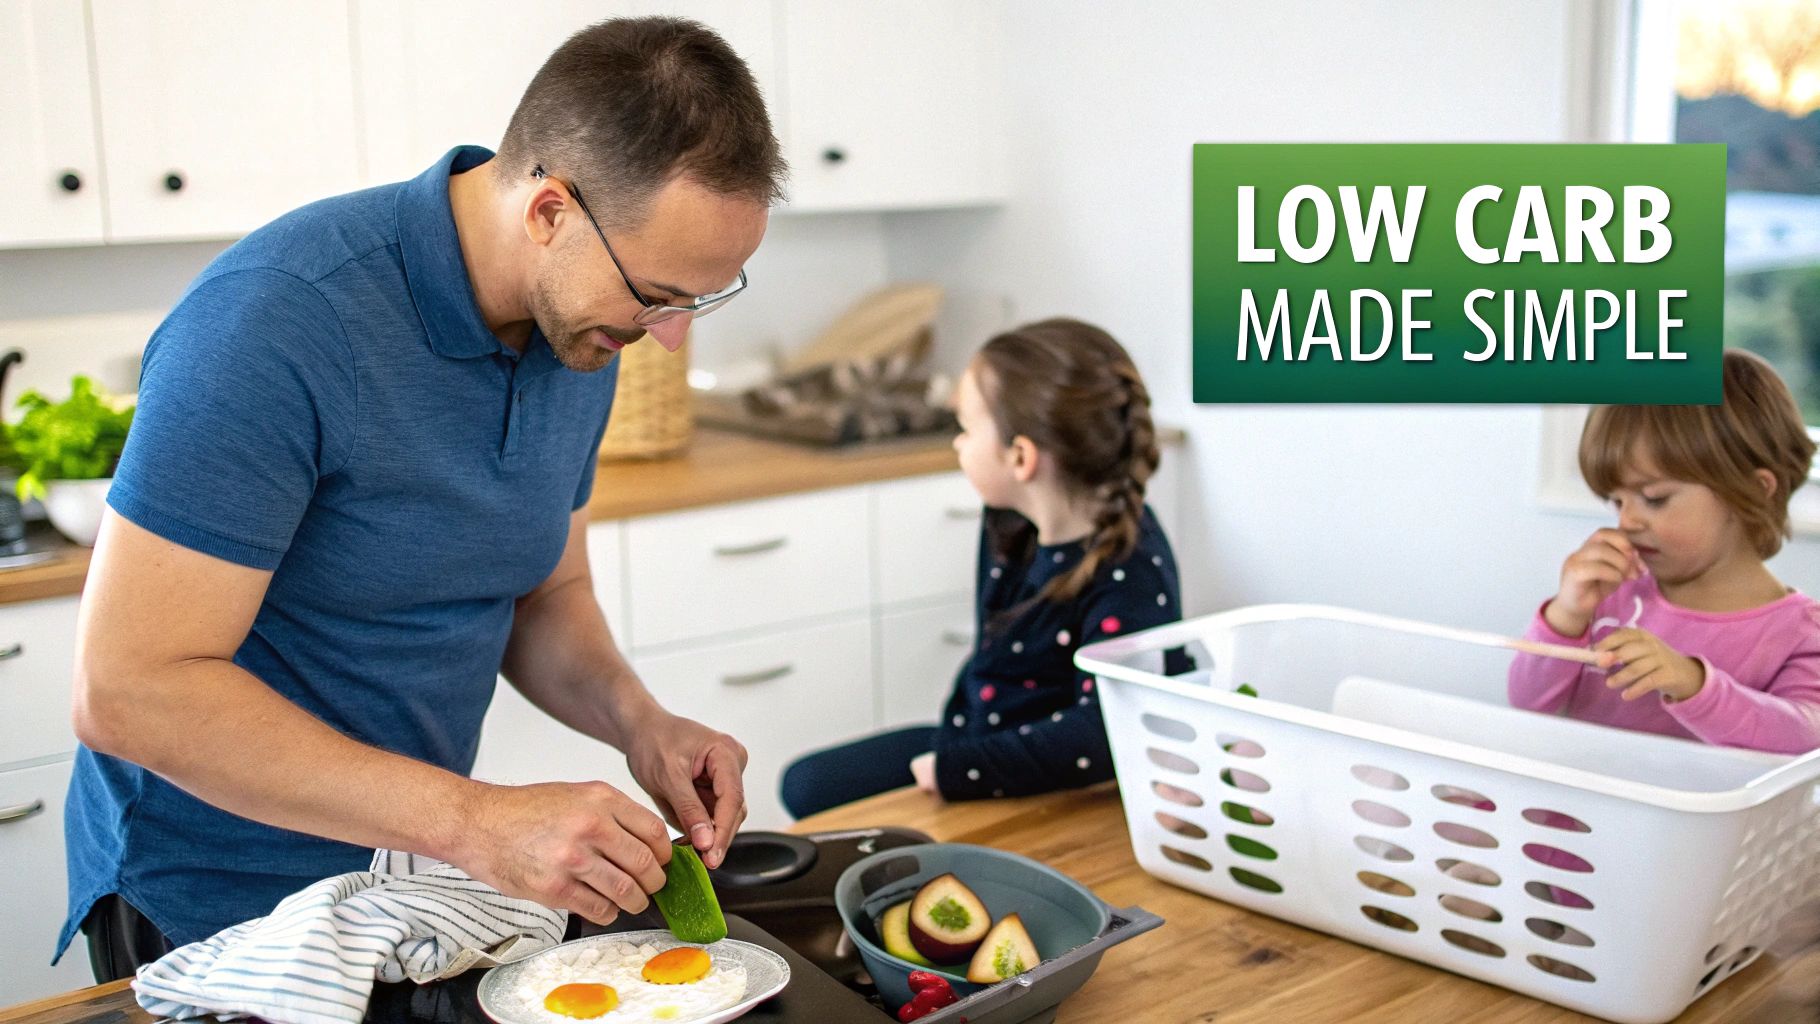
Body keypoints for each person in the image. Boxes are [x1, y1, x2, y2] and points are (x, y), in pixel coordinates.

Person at [60, 16, 787, 980]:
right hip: (218, 900)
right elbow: (129, 690)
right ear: (549, 213)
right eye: (657, 295)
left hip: (407, 880)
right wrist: (476, 819)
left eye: (697, 300)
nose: (669, 338)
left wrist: (639, 724)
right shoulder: (276, 321)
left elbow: (545, 594)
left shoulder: (579, 326)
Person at [780, 318, 1188, 818]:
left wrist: (956, 771)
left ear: (1020, 457)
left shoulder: (1130, 565)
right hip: (974, 745)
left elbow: (1106, 733)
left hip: (1048, 791)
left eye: (966, 429)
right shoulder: (1008, 522)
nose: (957, 444)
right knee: (805, 785)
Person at [1508, 349, 1820, 754]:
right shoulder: (1614, 590)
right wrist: (1565, 617)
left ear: (1754, 492)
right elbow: (1528, 705)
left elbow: (1804, 742)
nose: (1627, 522)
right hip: (1565, 811)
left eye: (1654, 498)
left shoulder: (1800, 633)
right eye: (1617, 502)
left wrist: (1695, 685)